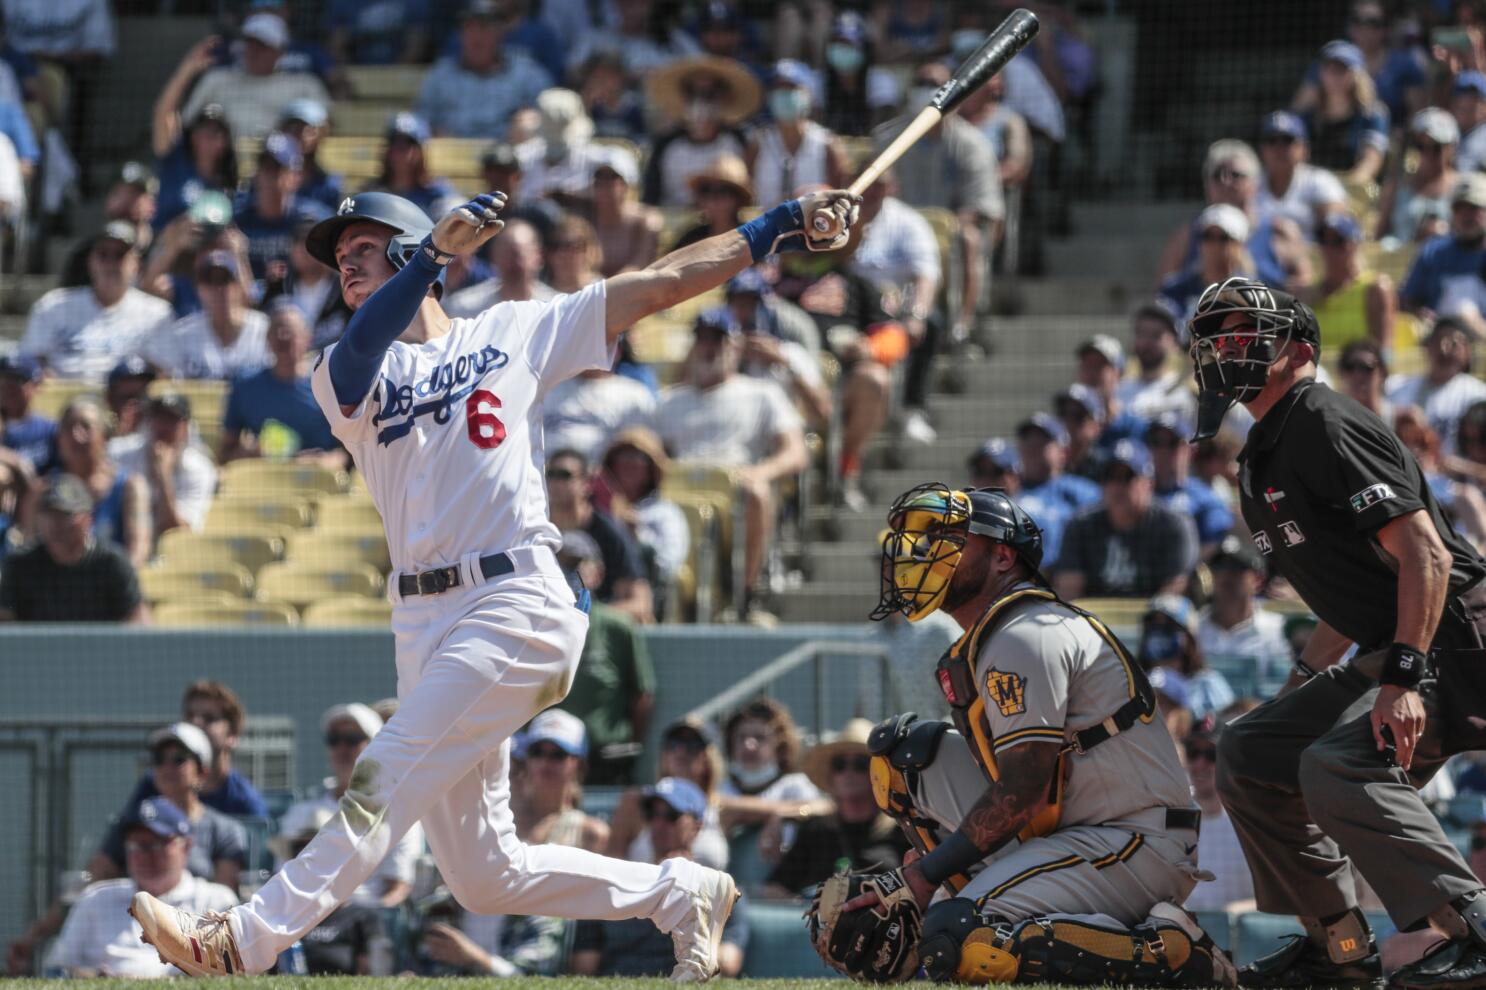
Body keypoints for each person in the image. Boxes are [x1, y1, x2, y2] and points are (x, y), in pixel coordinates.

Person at [129, 181, 863, 978]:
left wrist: (779, 224)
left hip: (515, 595)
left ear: (411, 252)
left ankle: (245, 938)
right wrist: (434, 256)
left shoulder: (515, 329)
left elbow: (661, 284)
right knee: (483, 873)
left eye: (364, 249)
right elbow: (365, 342)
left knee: (383, 772)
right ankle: (675, 892)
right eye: (340, 256)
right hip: (423, 618)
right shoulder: (345, 373)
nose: (345, 264)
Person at [1184, 277, 1486, 989]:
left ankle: (1475, 926)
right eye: (1216, 336)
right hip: (1406, 637)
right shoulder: (1266, 447)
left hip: (1459, 635)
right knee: (1251, 751)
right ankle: (1340, 952)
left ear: (1299, 349)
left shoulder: (1324, 418)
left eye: (1243, 332)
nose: (1227, 347)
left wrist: (1402, 680)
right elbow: (1345, 597)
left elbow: (1427, 555)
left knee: (1338, 762)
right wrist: (1295, 691)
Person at [829, 484, 1226, 987]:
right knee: (903, 759)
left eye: (952, 539)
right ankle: (974, 897)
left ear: (1001, 556)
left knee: (966, 937)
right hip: (1072, 828)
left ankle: (1170, 951)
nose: (930, 553)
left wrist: (924, 877)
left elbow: (1023, 787)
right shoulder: (994, 633)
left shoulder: (1027, 631)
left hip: (1136, 840)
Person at [652, 311, 809, 613]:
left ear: (734, 346)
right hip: (680, 490)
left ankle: (746, 593)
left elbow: (796, 452)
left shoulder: (762, 393)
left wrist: (761, 472)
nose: (709, 347)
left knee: (757, 493)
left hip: (736, 487)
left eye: (718, 339)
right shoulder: (669, 401)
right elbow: (655, 456)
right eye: (702, 339)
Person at [570, 778, 749, 978]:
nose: (659, 824)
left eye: (671, 816)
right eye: (651, 815)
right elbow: (583, 966)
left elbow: (727, 963)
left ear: (697, 827)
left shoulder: (720, 889)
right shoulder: (617, 882)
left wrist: (689, 894)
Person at [876, 59, 1003, 339]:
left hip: (946, 232)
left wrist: (934, 226)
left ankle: (961, 326)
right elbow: (872, 194)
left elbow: (980, 207)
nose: (927, 90)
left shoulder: (973, 145)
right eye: (920, 84)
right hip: (891, 228)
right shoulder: (887, 139)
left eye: (934, 86)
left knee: (970, 237)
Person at [41, 797, 237, 978]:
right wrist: (93, 976)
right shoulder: (95, 899)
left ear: (186, 846)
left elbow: (232, 973)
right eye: (135, 846)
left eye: (157, 845)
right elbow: (59, 969)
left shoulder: (215, 901)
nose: (144, 855)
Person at [277, 703, 422, 907]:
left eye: (352, 739)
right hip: (304, 919)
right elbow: (283, 879)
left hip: (365, 922)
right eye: (334, 740)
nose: (342, 748)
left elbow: (398, 888)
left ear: (376, 745)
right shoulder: (301, 811)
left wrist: (365, 918)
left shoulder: (399, 811)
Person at [764, 719, 910, 898]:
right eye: (839, 764)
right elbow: (776, 887)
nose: (848, 773)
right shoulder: (816, 830)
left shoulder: (902, 830)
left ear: (880, 774)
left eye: (861, 765)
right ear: (832, 775)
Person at [851, 165, 943, 446]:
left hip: (895, 308)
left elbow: (927, 274)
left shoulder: (907, 221)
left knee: (932, 323)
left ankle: (912, 408)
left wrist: (917, 314)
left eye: (881, 183)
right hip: (851, 305)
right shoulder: (842, 216)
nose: (873, 190)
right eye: (869, 182)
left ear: (893, 187)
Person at [547, 549, 655, 787]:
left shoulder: (618, 627)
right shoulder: (537, 623)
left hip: (605, 761)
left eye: (576, 563)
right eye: (559, 564)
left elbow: (642, 694)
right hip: (545, 757)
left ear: (598, 573)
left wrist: (629, 746)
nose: (567, 572)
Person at [96, 723, 247, 890]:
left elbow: (225, 903)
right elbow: (97, 875)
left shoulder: (224, 830)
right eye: (159, 759)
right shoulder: (130, 821)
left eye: (179, 759)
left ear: (202, 772)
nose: (167, 767)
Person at [19, 221, 171, 380]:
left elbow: (166, 373)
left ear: (136, 265)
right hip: (63, 400)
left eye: (119, 255)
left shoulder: (157, 314)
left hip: (127, 402)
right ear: (90, 262)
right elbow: (28, 361)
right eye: (103, 255)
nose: (110, 264)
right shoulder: (52, 306)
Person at [1052, 439, 1199, 600]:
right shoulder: (1080, 525)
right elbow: (1070, 591)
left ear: (1149, 483)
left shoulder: (1172, 525)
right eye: (1110, 477)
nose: (1117, 487)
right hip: (1093, 621)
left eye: (1127, 477)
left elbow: (1175, 589)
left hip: (1155, 619)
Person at [1156, 140, 1308, 294]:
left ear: (1256, 183)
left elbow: (1305, 289)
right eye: (1217, 174)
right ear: (1206, 184)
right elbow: (1164, 296)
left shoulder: (1279, 231)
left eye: (1236, 175)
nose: (1225, 181)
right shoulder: (1188, 235)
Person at [0, 473, 143, 623]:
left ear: (87, 520)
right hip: (37, 647)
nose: (54, 525)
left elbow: (136, 627)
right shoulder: (20, 565)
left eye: (64, 515)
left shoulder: (112, 564)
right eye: (48, 514)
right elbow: (5, 630)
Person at [219, 303, 342, 465]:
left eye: (290, 331)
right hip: (264, 484)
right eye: (276, 330)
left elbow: (349, 452)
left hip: (315, 483)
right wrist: (252, 452)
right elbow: (225, 455)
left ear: (308, 338)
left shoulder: (330, 385)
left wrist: (323, 462)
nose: (283, 336)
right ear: (266, 339)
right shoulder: (245, 386)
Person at [415, 0, 552, 139]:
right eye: (469, 27)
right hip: (449, 157)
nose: (476, 36)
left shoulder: (527, 75)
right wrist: (434, 133)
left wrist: (531, 123)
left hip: (508, 156)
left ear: (500, 31)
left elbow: (548, 119)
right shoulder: (440, 75)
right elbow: (420, 123)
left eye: (484, 27)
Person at [546, 448, 654, 624]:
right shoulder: (535, 528)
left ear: (586, 483)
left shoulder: (609, 532)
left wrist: (585, 614)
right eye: (551, 474)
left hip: (594, 634)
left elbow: (641, 604)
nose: (555, 482)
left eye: (564, 475)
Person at [181, 14, 330, 140]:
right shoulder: (216, 80)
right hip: (224, 162)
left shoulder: (305, 84)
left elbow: (324, 127)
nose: (254, 51)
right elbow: (187, 123)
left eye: (263, 46)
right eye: (250, 43)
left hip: (280, 165)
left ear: (280, 51)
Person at [642, 55, 757, 208]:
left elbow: (750, 194)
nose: (701, 102)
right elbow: (651, 198)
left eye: (710, 94)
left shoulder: (739, 141)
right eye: (694, 93)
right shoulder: (665, 144)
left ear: (723, 99)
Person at [150, 39, 239, 231]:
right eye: (202, 128)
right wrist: (188, 69)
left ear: (224, 143)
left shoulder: (229, 183)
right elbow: (163, 112)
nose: (207, 134)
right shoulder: (175, 161)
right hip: (164, 248)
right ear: (192, 135)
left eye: (215, 131)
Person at [599, 427, 690, 613]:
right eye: (622, 456)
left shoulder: (666, 513)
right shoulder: (596, 509)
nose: (628, 464)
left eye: (637, 457)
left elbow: (669, 565)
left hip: (644, 599)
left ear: (651, 468)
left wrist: (636, 537)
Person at [52, 397, 149, 565]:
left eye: (86, 427)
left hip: (110, 585)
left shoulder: (130, 486)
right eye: (68, 427)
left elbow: (138, 550)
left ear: (105, 436)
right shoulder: (45, 489)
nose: (76, 436)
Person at [148, 251, 270, 380]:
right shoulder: (183, 334)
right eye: (209, 281)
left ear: (239, 286)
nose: (218, 289)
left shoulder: (264, 330)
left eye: (225, 280)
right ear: (199, 290)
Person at [109, 393, 216, 540]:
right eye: (158, 418)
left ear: (185, 428)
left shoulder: (199, 469)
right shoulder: (120, 454)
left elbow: (178, 534)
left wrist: (163, 475)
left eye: (171, 419)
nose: (163, 426)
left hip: (173, 555)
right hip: (123, 540)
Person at [745, 59, 848, 209]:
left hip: (814, 227)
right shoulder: (758, 144)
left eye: (791, 88)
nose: (784, 95)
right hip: (765, 226)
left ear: (808, 94)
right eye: (778, 89)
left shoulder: (826, 144)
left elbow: (839, 193)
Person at [1197, 535, 1293, 691]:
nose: (1225, 576)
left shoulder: (1275, 630)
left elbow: (1280, 687)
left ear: (1258, 580)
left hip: (1258, 713)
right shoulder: (1194, 628)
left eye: (1237, 568)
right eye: (1218, 568)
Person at [233, 132, 332, 280]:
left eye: (277, 168)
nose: (270, 175)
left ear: (296, 176)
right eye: (264, 166)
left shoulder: (314, 221)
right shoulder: (237, 220)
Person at [716, 697, 822, 832]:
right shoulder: (721, 787)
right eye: (741, 737)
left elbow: (820, 809)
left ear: (780, 745)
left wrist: (733, 808)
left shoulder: (796, 786)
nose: (748, 745)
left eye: (760, 737)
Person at [1180, 727, 1256, 913]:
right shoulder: (1169, 820)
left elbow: (1271, 899)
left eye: (1211, 755)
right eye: (1193, 753)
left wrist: (1228, 915)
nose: (1200, 763)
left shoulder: (1250, 824)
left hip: (1237, 935)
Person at [1387, 317, 1486, 455]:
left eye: (1454, 343)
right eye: (1438, 340)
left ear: (1467, 352)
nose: (1444, 349)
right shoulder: (1395, 387)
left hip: (1455, 475)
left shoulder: (1478, 395)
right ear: (1426, 348)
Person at [515, 708, 610, 851]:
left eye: (558, 754)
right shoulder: (502, 817)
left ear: (579, 764)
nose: (545, 762)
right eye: (537, 752)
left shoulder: (592, 833)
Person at [1300, 40, 1389, 186]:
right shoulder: (1307, 118)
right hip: (1313, 192)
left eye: (1342, 69)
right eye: (1329, 68)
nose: (1334, 75)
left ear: (1357, 75)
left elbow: (1372, 161)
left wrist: (1343, 188)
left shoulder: (1372, 115)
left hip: (1354, 193)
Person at [1304, 211, 1396, 353]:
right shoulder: (1308, 294)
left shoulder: (1375, 289)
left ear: (1355, 244)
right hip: (1318, 373)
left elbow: (1385, 349)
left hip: (1357, 371)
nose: (1329, 249)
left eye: (1338, 241)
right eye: (1323, 240)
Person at [1400, 173, 1486, 323]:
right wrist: (1419, 313)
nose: (1466, 215)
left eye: (1473, 208)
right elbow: (1407, 300)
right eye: (1459, 208)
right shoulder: (1433, 252)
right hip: (1440, 336)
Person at [1138, 594, 1237, 721]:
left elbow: (1227, 731)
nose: (1159, 635)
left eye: (1168, 627)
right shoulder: (1132, 683)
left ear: (1189, 637)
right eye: (1153, 627)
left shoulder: (1208, 685)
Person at [1255, 111, 1347, 241]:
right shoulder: (1249, 184)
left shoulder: (1320, 181)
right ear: (1262, 149)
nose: (1279, 147)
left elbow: (1336, 232)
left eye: (1287, 140)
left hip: (1311, 258)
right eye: (1271, 140)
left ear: (1304, 149)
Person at [1378, 108, 1460, 243]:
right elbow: (1378, 235)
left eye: (1436, 147)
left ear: (1452, 147)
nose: (1428, 154)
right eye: (1420, 146)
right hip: (1400, 262)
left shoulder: (1464, 187)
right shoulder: (1396, 186)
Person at [443, 218, 552, 318]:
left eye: (517, 254)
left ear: (538, 256)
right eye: (505, 253)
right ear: (493, 256)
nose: (512, 262)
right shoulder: (464, 308)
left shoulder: (553, 308)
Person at [1116, 300, 1195, 423]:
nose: (1147, 342)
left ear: (1174, 342)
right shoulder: (1119, 391)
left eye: (1156, 335)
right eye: (1141, 333)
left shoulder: (1183, 394)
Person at [364, 113, 455, 219]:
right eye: (394, 142)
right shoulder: (372, 193)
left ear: (421, 151)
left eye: (408, 143)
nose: (399, 149)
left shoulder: (438, 194)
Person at [588, 147, 660, 277]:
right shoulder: (584, 218)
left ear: (627, 184)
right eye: (599, 178)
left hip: (633, 290)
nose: (604, 184)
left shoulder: (645, 220)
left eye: (612, 178)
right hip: (594, 289)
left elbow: (640, 264)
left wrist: (607, 288)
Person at [671, 155, 754, 251]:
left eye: (722, 191)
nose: (712, 199)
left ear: (738, 199)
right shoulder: (691, 239)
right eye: (706, 190)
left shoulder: (753, 237)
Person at [278, 99, 341, 212]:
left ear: (321, 134)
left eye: (309, 130)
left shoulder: (330, 184)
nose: (301, 135)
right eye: (294, 128)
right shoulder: (265, 176)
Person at [0, 353, 53, 473]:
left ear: (36, 385)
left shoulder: (49, 430)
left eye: (18, 380)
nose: (8, 386)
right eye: (3, 378)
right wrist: (15, 461)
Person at [1336, 338, 1393, 424]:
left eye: (1367, 368)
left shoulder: (1401, 422)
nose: (1358, 376)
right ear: (1340, 372)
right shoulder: (1330, 421)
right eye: (1350, 367)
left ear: (1382, 373)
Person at [544, 215, 604, 295]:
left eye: (573, 246)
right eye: (556, 246)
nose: (562, 253)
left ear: (590, 251)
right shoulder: (535, 294)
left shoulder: (604, 291)